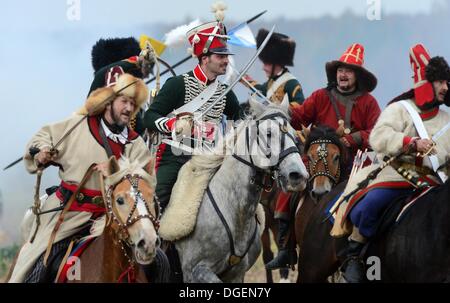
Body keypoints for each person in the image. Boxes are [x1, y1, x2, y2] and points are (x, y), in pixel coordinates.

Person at [8, 67, 151, 282]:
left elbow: (146, 179)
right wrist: (42, 152)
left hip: (114, 217)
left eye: (133, 104)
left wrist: (118, 171)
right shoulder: (76, 127)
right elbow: (42, 138)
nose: (129, 108)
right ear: (108, 101)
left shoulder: (135, 143)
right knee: (34, 266)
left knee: (161, 262)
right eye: (124, 101)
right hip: (70, 213)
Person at [332, 43, 450, 283]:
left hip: (435, 181)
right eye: (440, 81)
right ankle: (354, 255)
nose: (446, 87)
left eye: (447, 82)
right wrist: (409, 142)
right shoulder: (401, 109)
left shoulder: (447, 120)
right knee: (369, 206)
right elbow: (377, 137)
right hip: (399, 174)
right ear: (427, 83)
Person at [266, 43, 381, 270]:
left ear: (357, 75)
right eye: (340, 70)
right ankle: (286, 248)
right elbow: (299, 118)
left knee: (370, 201)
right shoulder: (320, 96)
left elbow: (376, 133)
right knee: (289, 190)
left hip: (354, 165)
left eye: (348, 70)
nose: (343, 74)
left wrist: (352, 139)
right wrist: (284, 110)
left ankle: (360, 254)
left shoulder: (369, 103)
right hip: (317, 160)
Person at [143, 13, 242, 212]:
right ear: (205, 58)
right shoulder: (178, 84)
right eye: (220, 56)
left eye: (226, 56)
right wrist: (174, 125)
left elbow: (240, 120)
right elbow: (149, 117)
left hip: (210, 157)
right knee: (158, 201)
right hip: (176, 155)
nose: (225, 61)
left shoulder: (224, 93)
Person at [243, 28, 304, 105]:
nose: (263, 68)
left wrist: (283, 109)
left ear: (277, 63)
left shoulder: (291, 83)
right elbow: (262, 90)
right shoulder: (272, 81)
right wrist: (245, 79)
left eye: (266, 63)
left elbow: (300, 103)